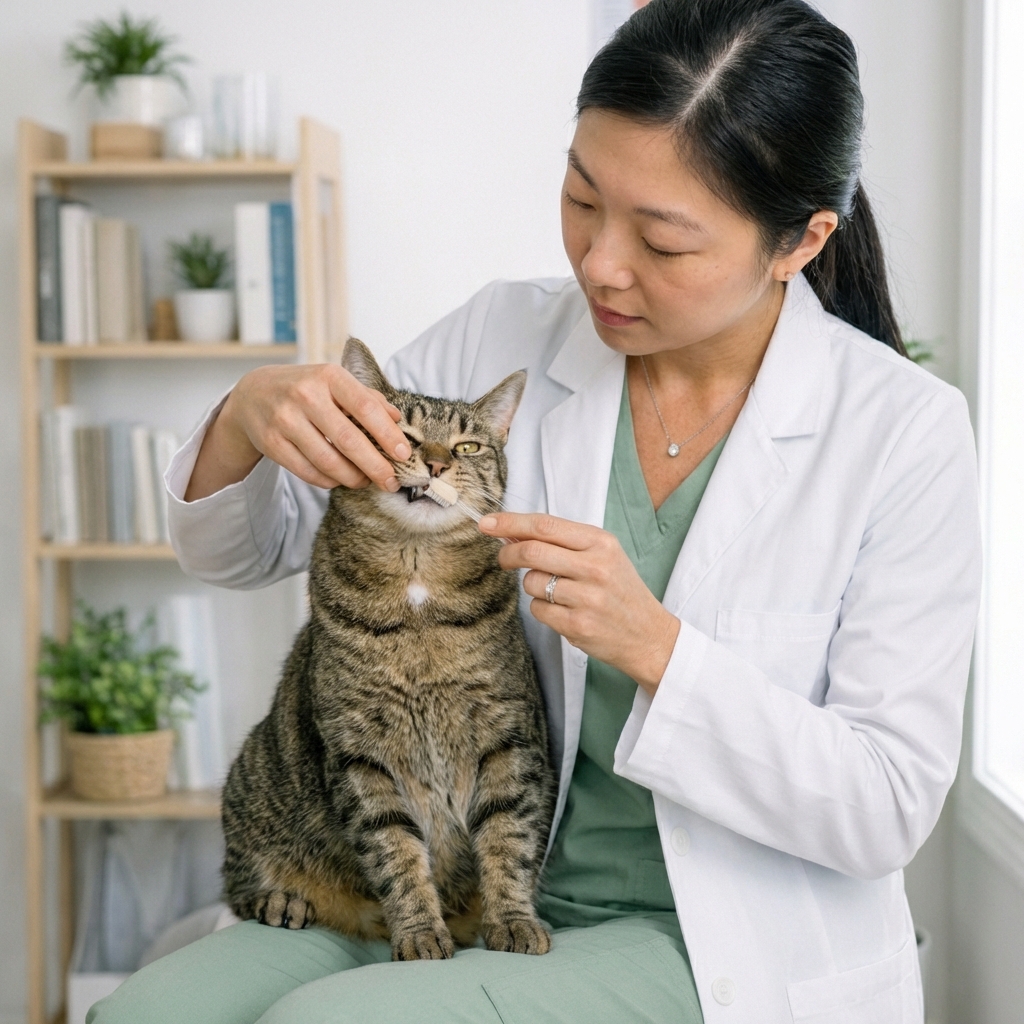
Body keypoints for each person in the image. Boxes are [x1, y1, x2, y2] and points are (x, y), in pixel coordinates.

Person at [90, 1, 981, 1022]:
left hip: (711, 935)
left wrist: (656, 647)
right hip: (459, 879)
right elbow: (256, 544)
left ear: (799, 240)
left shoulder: (902, 432)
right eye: (580, 197)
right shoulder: (498, 338)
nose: (600, 263)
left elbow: (885, 805)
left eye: (663, 241)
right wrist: (250, 417)